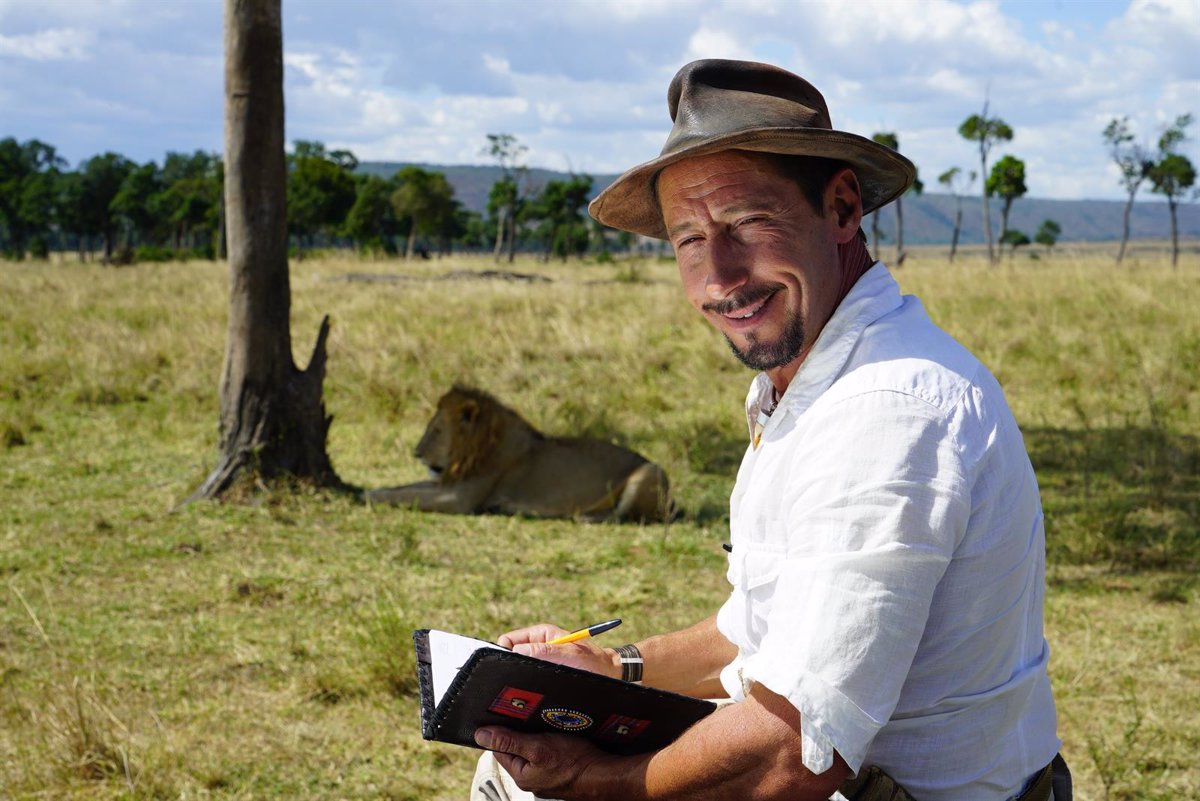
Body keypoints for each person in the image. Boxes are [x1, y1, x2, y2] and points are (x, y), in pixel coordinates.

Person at [468, 59, 1068, 801]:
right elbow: (762, 630)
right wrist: (614, 667)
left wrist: (602, 781)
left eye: (747, 222)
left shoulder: (887, 410)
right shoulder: (810, 383)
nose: (718, 276)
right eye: (689, 239)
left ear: (843, 209)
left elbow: (795, 753)